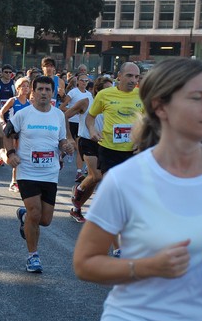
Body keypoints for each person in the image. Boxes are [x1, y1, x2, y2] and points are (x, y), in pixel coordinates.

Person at [73, 57, 202, 321]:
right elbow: (85, 263)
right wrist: (146, 267)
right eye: (198, 97)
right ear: (160, 106)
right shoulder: (126, 180)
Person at [4, 76, 74, 273]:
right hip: (27, 171)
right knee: (36, 213)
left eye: (47, 90)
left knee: (45, 220)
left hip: (50, 173)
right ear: (32, 92)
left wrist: (66, 146)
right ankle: (32, 256)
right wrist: (10, 154)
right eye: (40, 89)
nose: (44, 93)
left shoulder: (59, 116)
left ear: (53, 93)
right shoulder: (23, 115)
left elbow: (62, 139)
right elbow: (7, 133)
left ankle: (25, 216)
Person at [84, 62, 143, 256]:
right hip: (109, 150)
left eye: (136, 77)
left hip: (133, 153)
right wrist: (93, 130)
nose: (133, 80)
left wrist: (142, 140)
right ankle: (118, 248)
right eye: (129, 76)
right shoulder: (104, 95)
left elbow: (149, 121)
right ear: (119, 76)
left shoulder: (142, 96)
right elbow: (90, 118)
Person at [63, 76, 113, 223]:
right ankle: (78, 190)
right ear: (98, 90)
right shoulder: (86, 102)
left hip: (104, 143)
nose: (111, 91)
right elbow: (65, 116)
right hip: (86, 141)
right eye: (107, 89)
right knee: (96, 176)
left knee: (94, 179)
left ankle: (76, 209)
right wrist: (69, 137)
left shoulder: (113, 104)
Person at [0, 76, 31, 192]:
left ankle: (14, 181)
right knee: (11, 158)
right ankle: (2, 154)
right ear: (18, 88)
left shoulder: (29, 103)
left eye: (27, 86)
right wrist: (3, 124)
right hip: (11, 132)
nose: (25, 88)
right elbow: (1, 113)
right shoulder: (13, 100)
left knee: (18, 156)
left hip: (22, 133)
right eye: (23, 86)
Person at [60, 72, 93, 182]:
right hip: (70, 122)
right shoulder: (73, 92)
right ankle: (60, 156)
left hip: (81, 124)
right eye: (82, 80)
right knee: (71, 145)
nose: (84, 82)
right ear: (78, 82)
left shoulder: (89, 94)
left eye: (86, 81)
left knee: (79, 149)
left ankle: (79, 172)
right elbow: (62, 107)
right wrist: (75, 111)